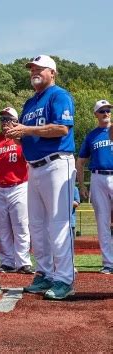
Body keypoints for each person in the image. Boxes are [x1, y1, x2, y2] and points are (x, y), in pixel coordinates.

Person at [6, 55, 76, 300]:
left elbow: (61, 128)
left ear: (52, 72)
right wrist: (16, 134)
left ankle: (64, 278)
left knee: (58, 224)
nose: (34, 71)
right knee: (36, 225)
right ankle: (45, 273)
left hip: (57, 163)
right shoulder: (30, 102)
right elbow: (29, 134)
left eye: (39, 68)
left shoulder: (59, 95)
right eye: (32, 69)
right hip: (33, 167)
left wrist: (26, 129)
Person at [0, 107, 33, 274]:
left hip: (19, 186)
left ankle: (23, 261)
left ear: (16, 121)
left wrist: (19, 138)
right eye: (2, 119)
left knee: (21, 225)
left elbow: (31, 159)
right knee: (2, 228)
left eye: (9, 119)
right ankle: (7, 261)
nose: (5, 122)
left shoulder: (22, 139)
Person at [76, 99, 113, 274]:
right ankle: (108, 263)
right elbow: (80, 161)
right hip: (98, 177)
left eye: (108, 110)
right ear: (95, 114)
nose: (106, 113)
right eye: (102, 111)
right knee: (102, 222)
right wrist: (82, 185)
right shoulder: (91, 136)